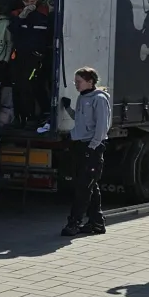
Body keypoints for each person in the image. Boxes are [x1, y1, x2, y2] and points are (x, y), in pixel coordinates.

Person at [62, 67, 111, 237]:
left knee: (84, 187)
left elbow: (102, 127)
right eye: (75, 82)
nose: (76, 85)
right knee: (90, 185)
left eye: (79, 82)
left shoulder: (98, 99)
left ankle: (74, 223)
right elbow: (81, 120)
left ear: (90, 82)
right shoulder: (82, 98)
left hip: (92, 147)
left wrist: (93, 147)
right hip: (81, 145)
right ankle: (97, 223)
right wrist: (68, 109)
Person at [10, 0, 53, 130]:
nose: (31, 4)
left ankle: (35, 116)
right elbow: (13, 31)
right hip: (20, 55)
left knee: (31, 84)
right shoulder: (17, 15)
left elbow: (48, 35)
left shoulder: (43, 16)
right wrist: (22, 17)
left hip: (36, 56)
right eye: (28, 1)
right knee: (17, 86)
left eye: (33, 1)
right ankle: (20, 117)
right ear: (23, 1)